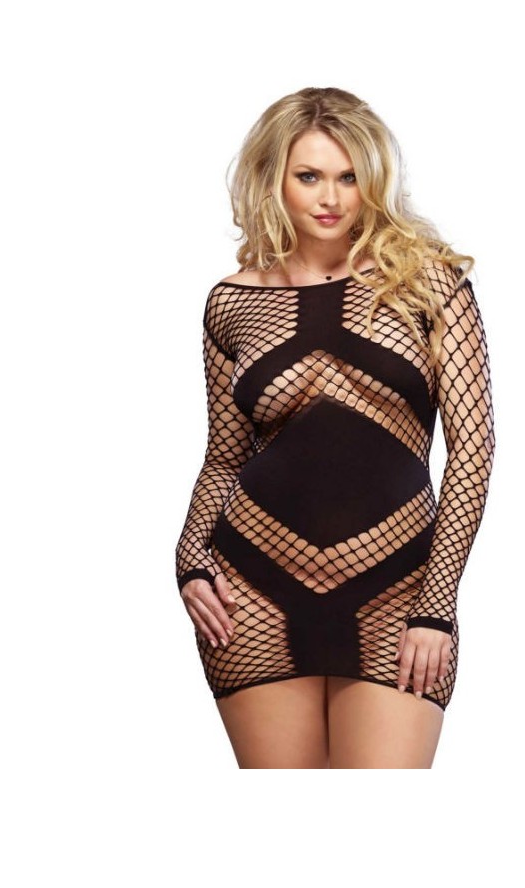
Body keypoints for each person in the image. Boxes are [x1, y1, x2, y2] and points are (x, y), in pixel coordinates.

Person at [175, 87, 496, 768]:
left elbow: (474, 450)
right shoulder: (231, 302)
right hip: (250, 590)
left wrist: (437, 603)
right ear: (274, 179)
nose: (331, 198)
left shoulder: (428, 282)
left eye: (349, 177)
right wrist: (188, 558)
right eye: (310, 176)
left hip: (399, 588)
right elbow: (225, 457)